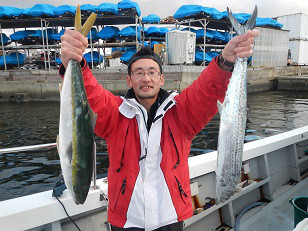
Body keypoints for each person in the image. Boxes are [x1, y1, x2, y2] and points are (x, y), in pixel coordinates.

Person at [60, 29, 259, 231]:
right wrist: (74, 62)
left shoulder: (182, 113)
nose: (146, 78)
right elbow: (90, 95)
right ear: (129, 80)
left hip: (170, 218)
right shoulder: (115, 114)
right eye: (139, 73)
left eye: (152, 72)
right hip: (127, 220)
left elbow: (207, 90)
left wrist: (225, 61)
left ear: (161, 79)